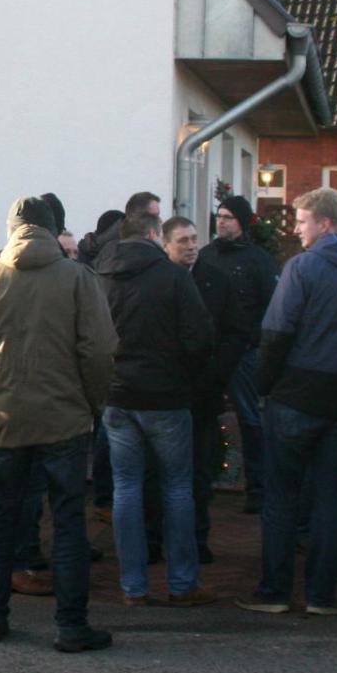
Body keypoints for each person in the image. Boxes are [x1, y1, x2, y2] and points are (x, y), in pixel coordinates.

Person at [0, 197, 118, 651]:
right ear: (52, 229)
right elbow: (99, 351)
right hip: (66, 420)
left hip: (7, 419)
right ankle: (71, 625)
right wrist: (91, 404)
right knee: (68, 521)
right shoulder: (78, 278)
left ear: (11, 229)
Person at [238, 187, 337, 617]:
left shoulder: (302, 268)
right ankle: (322, 595)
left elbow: (276, 333)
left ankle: (275, 591)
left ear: (324, 223)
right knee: (329, 496)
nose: (297, 231)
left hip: (295, 395)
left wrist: (265, 385)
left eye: (302, 222)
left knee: (282, 496)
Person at [97, 213, 215, 607]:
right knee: (177, 487)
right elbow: (200, 338)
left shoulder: (101, 277)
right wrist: (184, 376)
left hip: (117, 396)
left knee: (126, 488)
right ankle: (182, 584)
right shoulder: (174, 277)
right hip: (166, 396)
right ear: (153, 234)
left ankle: (133, 586)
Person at [164, 215, 249, 564]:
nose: (191, 247)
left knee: (200, 470)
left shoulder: (217, 280)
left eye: (194, 239)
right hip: (167, 392)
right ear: (166, 245)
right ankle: (162, 537)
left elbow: (236, 332)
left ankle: (197, 539)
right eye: (183, 241)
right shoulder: (159, 282)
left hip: (204, 393)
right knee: (165, 470)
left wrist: (217, 373)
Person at [206, 195, 278, 513]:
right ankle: (208, 476)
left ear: (242, 222)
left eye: (228, 217)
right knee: (206, 415)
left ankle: (258, 487)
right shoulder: (207, 256)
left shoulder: (258, 261)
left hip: (243, 354)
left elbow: (270, 307)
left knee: (249, 418)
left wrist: (250, 340)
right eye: (219, 216)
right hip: (210, 351)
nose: (221, 222)